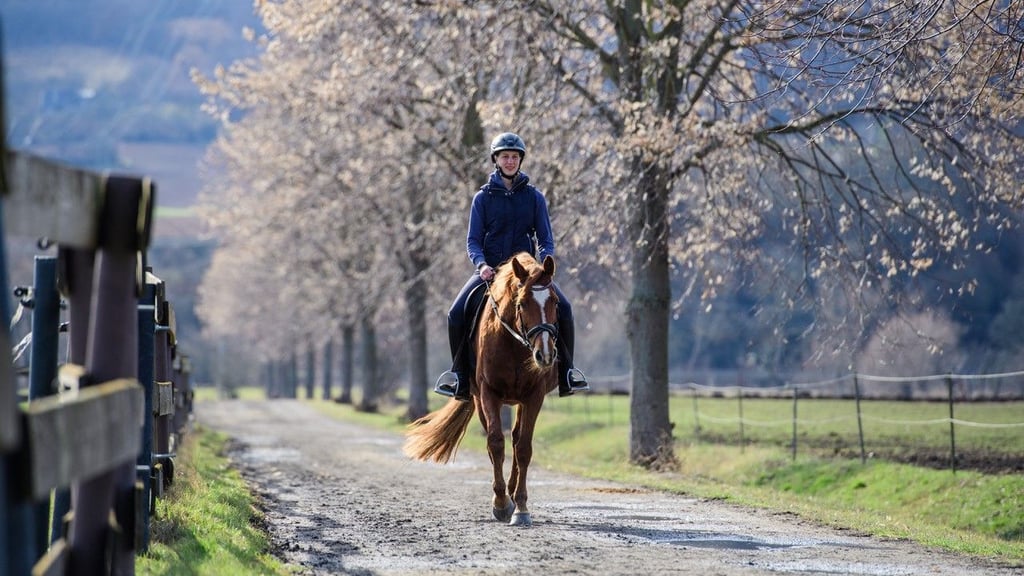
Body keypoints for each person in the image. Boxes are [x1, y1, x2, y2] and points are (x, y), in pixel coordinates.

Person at [435, 132, 590, 401]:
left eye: (514, 157)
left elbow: (545, 239)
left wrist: (544, 266)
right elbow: (472, 240)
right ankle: (459, 376)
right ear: (496, 160)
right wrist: (481, 264)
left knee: (564, 308)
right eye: (505, 156)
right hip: (490, 272)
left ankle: (567, 372)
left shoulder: (534, 198)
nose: (510, 161)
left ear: (520, 160)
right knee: (455, 313)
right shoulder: (482, 199)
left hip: (526, 275)